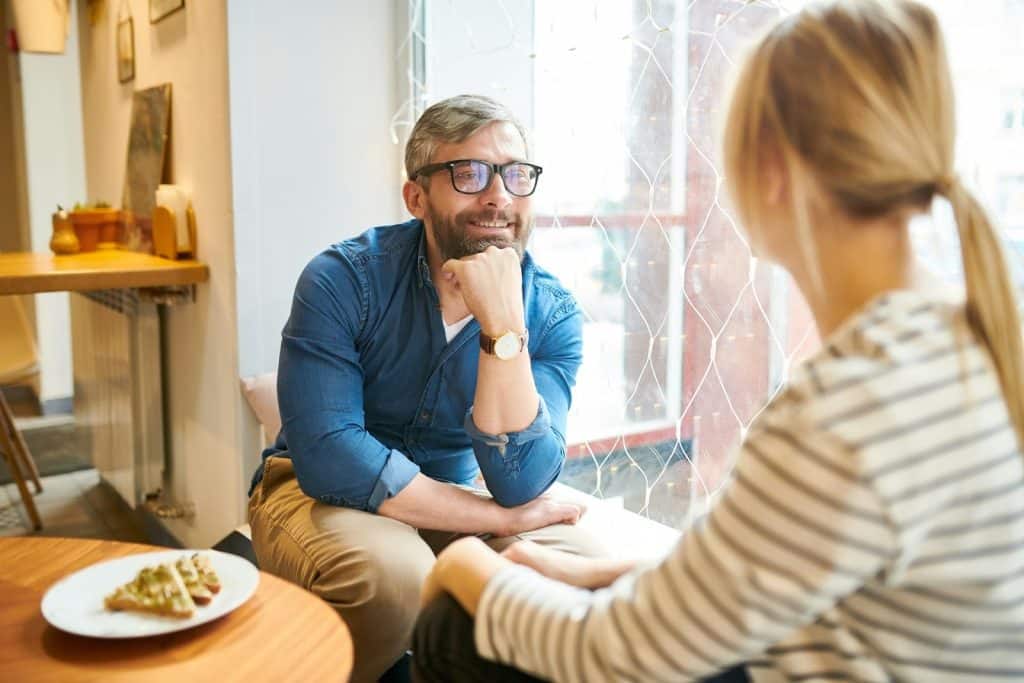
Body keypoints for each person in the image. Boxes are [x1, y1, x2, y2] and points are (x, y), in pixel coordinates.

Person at [412, 2, 1024, 681]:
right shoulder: (959, 332)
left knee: (456, 626)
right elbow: (767, 563)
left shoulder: (849, 403)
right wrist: (582, 569)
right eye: (471, 174)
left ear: (770, 171)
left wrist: (462, 562)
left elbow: (607, 653)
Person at [246, 94, 607, 683]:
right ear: (417, 197)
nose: (498, 196)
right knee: (395, 579)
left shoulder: (551, 312)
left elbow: (521, 480)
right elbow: (332, 458)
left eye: (516, 176)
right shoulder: (342, 279)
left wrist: (502, 328)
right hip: (311, 493)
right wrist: (486, 518)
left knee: (572, 578)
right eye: (469, 174)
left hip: (451, 493)